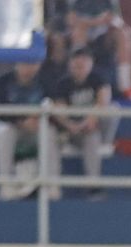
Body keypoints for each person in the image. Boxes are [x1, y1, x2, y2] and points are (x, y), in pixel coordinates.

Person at [46, 47, 112, 200]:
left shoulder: (99, 79)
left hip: (93, 127)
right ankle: (52, 184)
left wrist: (89, 121)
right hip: (71, 130)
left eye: (83, 65)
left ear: (90, 64)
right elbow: (60, 109)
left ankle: (93, 184)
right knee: (50, 133)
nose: (79, 69)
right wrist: (70, 125)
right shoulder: (63, 84)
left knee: (96, 132)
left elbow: (103, 101)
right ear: (70, 65)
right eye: (76, 65)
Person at [0, 62, 55, 201]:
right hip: (5, 126)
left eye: (31, 64)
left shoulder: (45, 82)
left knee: (49, 132)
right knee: (6, 132)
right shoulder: (4, 81)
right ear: (16, 64)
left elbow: (51, 106)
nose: (28, 68)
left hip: (34, 128)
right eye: (24, 64)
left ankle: (50, 184)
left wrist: (38, 120)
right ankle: (5, 184)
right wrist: (21, 121)